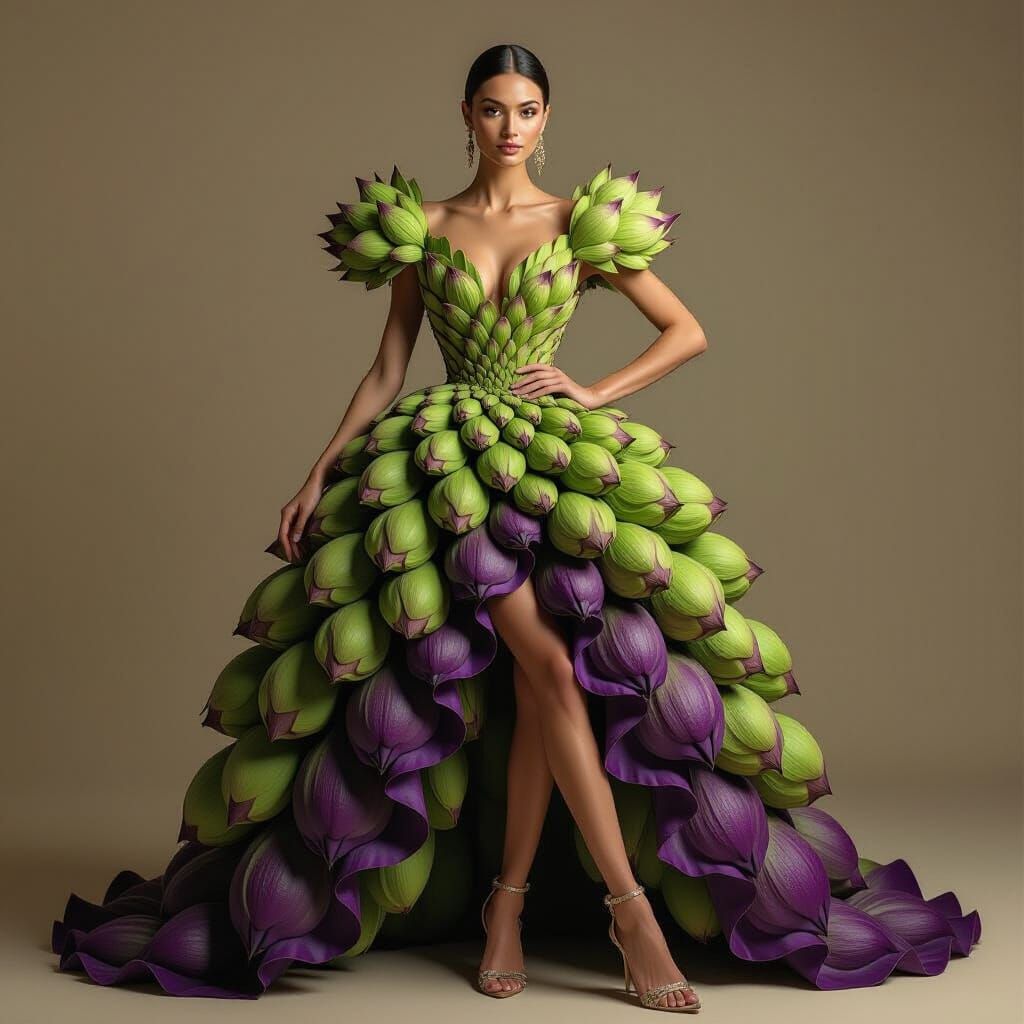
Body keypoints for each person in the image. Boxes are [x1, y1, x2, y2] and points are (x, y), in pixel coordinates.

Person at [50, 42, 981, 1011]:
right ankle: (629, 912)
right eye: (493, 108)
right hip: (448, 469)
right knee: (549, 669)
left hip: (553, 463)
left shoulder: (577, 223)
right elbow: (388, 367)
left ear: (547, 118)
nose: (510, 127)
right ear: (466, 114)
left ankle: (507, 905)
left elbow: (686, 330)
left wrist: (594, 390)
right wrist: (317, 469)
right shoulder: (424, 227)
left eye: (527, 109)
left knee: (547, 689)